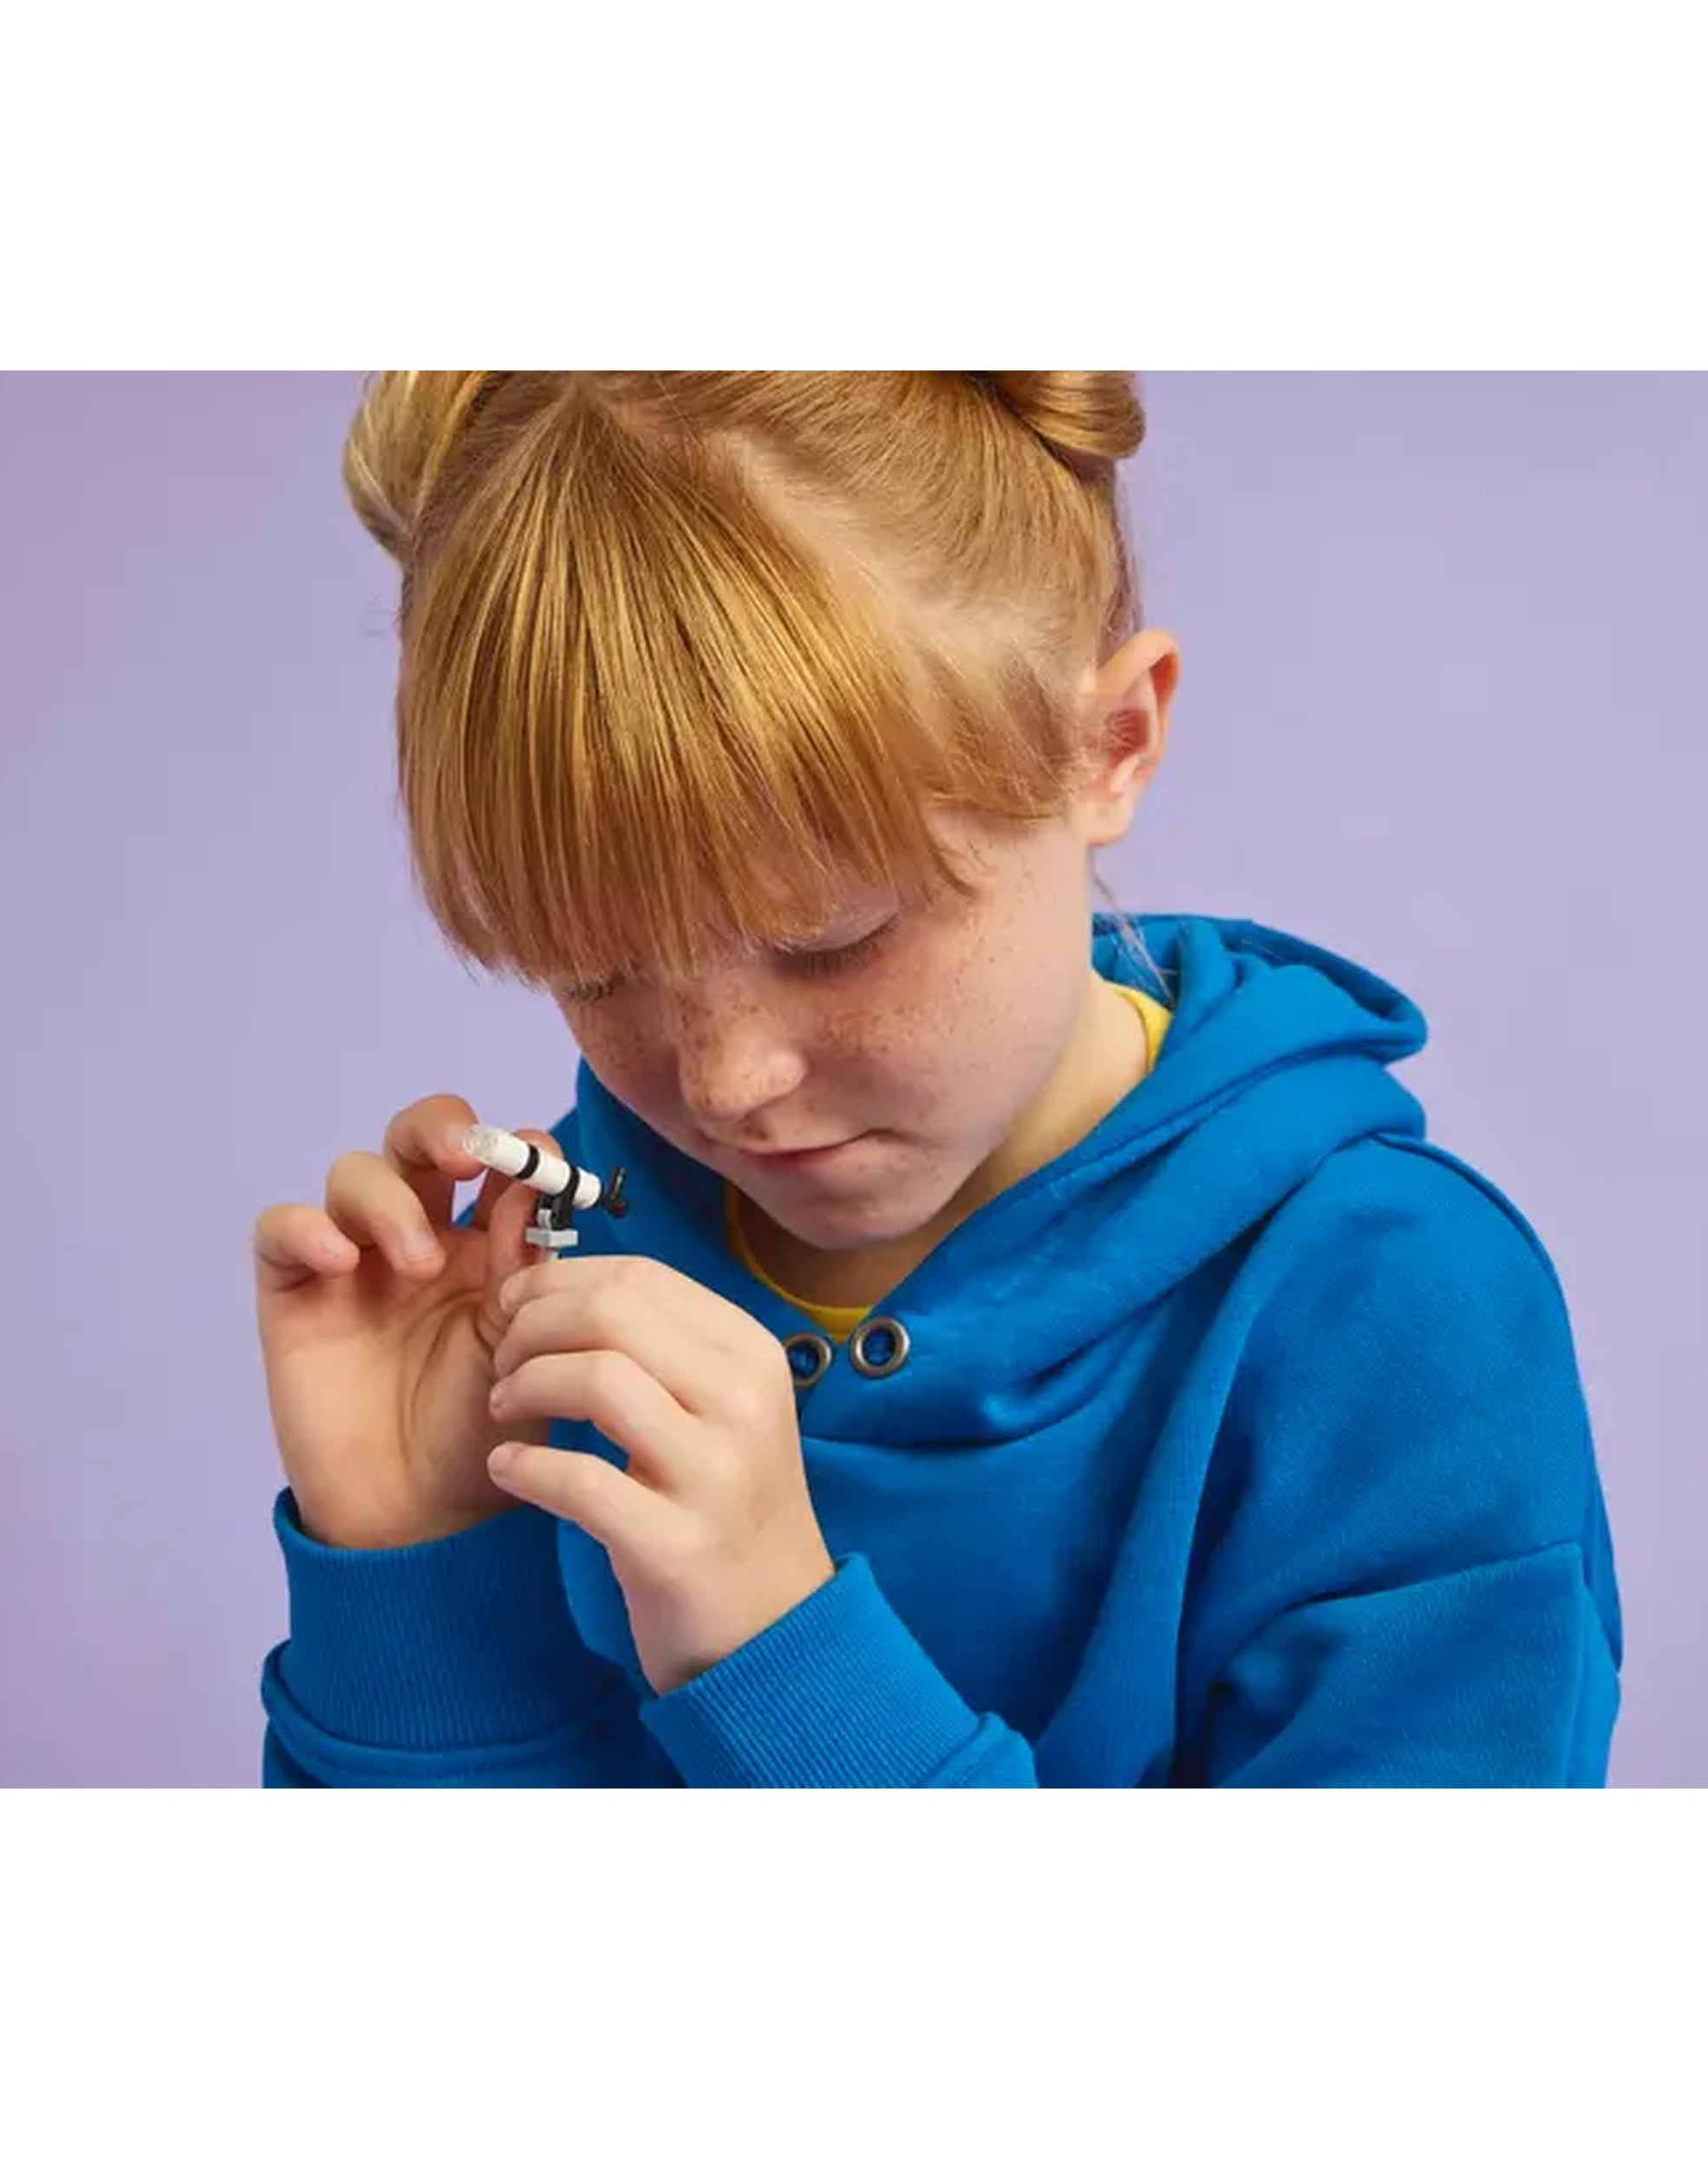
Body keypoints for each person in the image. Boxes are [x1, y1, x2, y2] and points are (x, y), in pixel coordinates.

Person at [250, 370, 1623, 1786]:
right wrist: (414, 1575)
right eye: (598, 973)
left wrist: (784, 1659)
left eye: (833, 942)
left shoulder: (1391, 1311)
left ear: (1110, 745)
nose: (726, 1083)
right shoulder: (540, 1278)